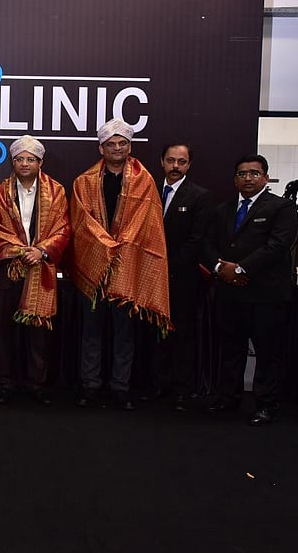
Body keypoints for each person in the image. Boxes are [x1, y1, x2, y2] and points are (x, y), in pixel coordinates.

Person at [68, 118, 171, 410]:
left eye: (122, 143)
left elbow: (146, 222)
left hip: (127, 265)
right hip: (94, 266)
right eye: (111, 144)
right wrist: (104, 244)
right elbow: (81, 222)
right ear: (101, 148)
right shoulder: (84, 181)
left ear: (129, 147)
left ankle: (120, 387)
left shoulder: (144, 180)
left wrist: (120, 244)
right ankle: (90, 386)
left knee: (124, 332)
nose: (117, 148)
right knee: (91, 330)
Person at [203, 154, 298, 425]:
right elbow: (207, 243)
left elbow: (277, 247)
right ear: (235, 179)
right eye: (242, 174)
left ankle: (266, 404)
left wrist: (241, 269)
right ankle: (228, 397)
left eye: (254, 173)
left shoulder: (281, 207)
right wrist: (220, 268)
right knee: (231, 349)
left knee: (268, 352)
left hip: (266, 294)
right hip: (230, 292)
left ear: (265, 178)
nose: (248, 178)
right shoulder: (223, 210)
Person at [0, 135, 71, 405]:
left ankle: (36, 384)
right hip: (7, 269)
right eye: (19, 159)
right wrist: (19, 251)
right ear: (13, 162)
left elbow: (63, 229)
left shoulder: (56, 192)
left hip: (40, 266)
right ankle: (5, 384)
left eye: (30, 159)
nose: (24, 164)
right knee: (2, 330)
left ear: (40, 162)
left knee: (38, 332)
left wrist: (41, 250)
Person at [145, 144, 212, 411]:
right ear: (161, 162)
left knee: (182, 334)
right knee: (155, 333)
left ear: (189, 165)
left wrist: (168, 267)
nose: (175, 166)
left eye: (181, 162)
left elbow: (197, 240)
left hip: (182, 278)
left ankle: (182, 389)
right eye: (171, 160)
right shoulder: (147, 191)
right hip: (150, 277)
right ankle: (159, 385)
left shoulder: (199, 197)